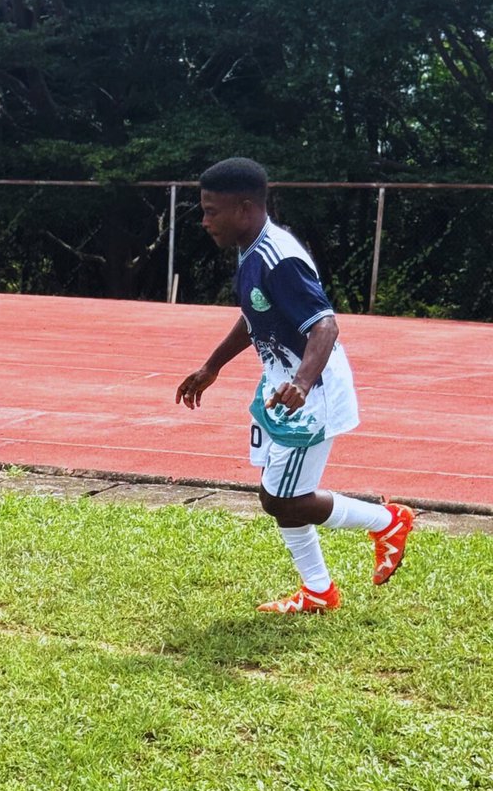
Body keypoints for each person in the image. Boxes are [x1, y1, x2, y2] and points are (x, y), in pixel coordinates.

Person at [175, 157, 413, 613]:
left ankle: (386, 521)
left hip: (309, 396)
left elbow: (325, 325)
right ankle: (318, 591)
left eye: (211, 211)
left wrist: (302, 385)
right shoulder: (250, 249)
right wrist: (212, 366)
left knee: (284, 498)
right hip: (280, 387)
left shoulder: (278, 258)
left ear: (244, 209)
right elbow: (255, 314)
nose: (205, 221)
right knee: (277, 495)